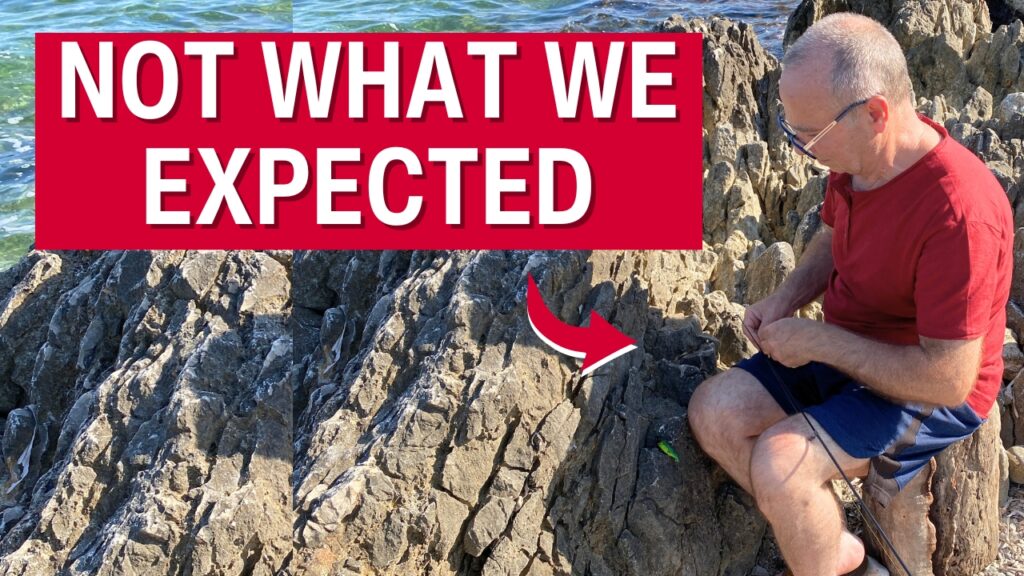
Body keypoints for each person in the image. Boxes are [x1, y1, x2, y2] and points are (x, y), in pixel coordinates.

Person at [688, 12, 1014, 576]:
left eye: (808, 136)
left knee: (780, 462)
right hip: (846, 348)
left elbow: (947, 379)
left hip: (925, 389)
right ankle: (835, 550)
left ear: (875, 113)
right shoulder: (861, 159)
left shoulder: (959, 214)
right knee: (713, 412)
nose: (799, 150)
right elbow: (832, 234)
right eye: (790, 132)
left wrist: (820, 342)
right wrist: (784, 301)